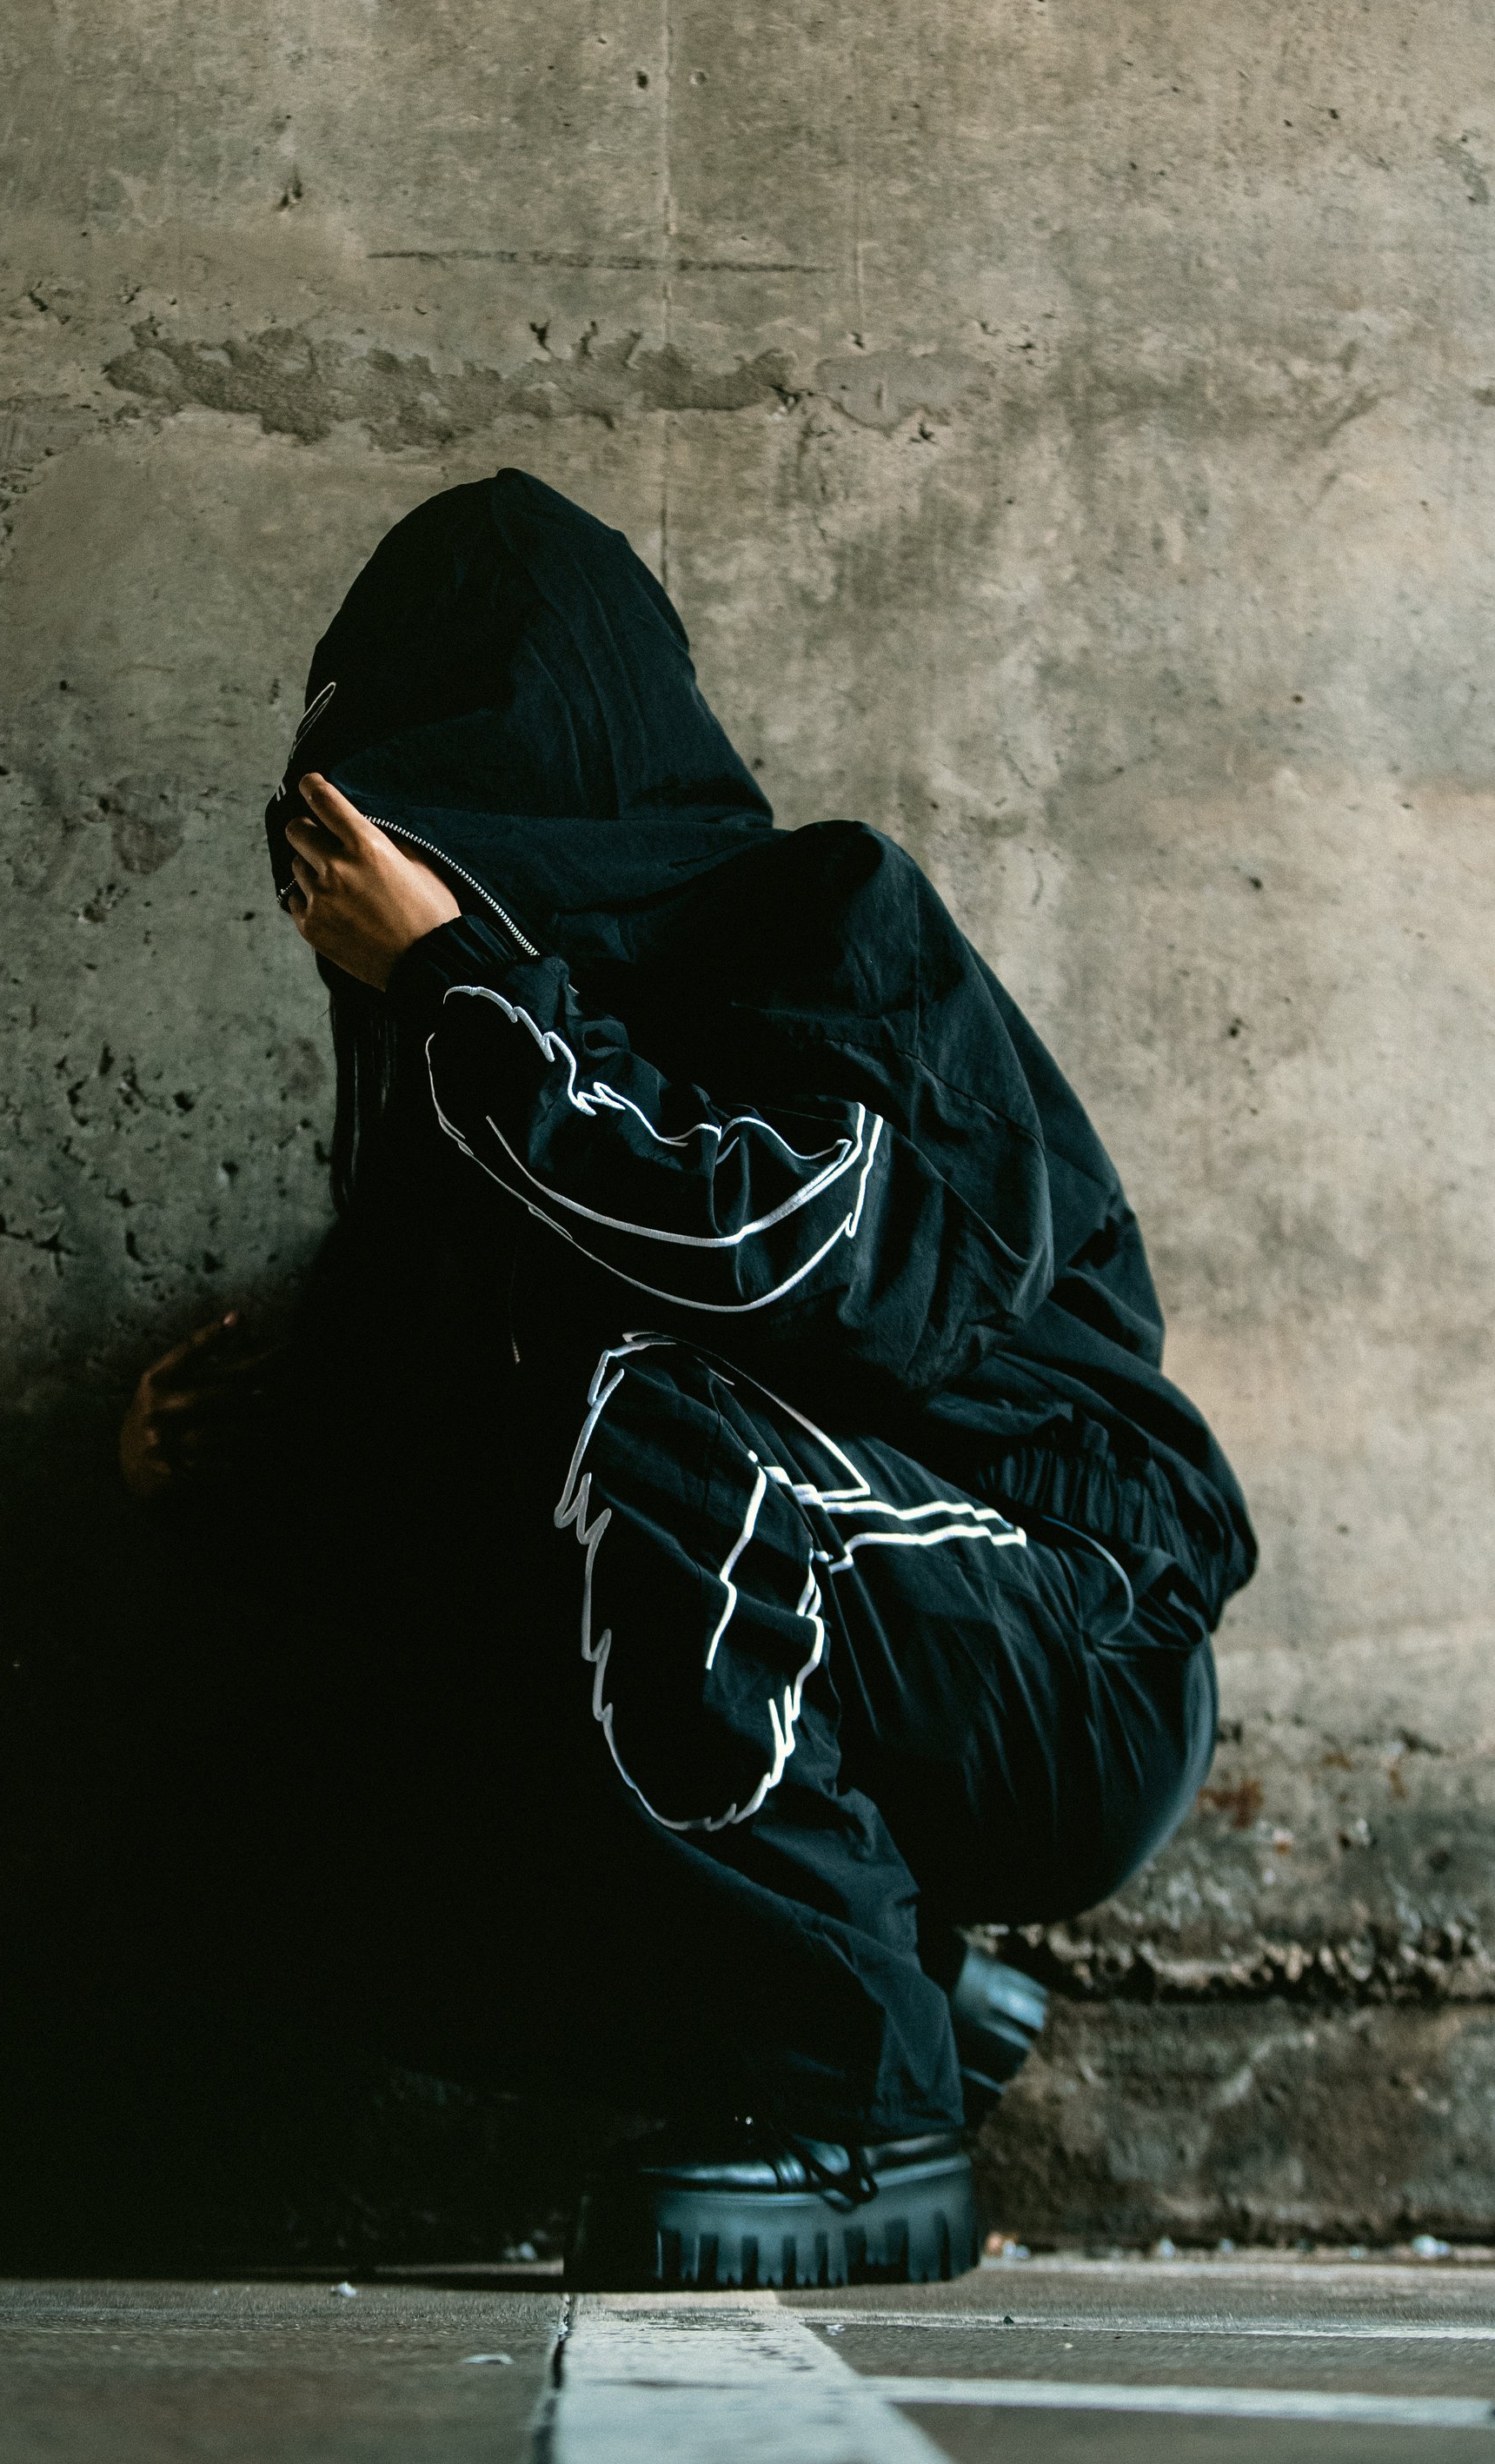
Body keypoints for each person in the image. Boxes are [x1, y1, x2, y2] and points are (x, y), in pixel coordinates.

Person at [119, 469, 1253, 2287]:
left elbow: (813, 1270)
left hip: (1063, 1644)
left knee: (635, 1416)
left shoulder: (829, 927)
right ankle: (886, 1978)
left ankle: (857, 2118)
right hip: (792, 1605)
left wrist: (460, 990)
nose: (408, 893)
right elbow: (448, 1558)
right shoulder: (463, 1134)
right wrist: (208, 1481)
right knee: (247, 1819)